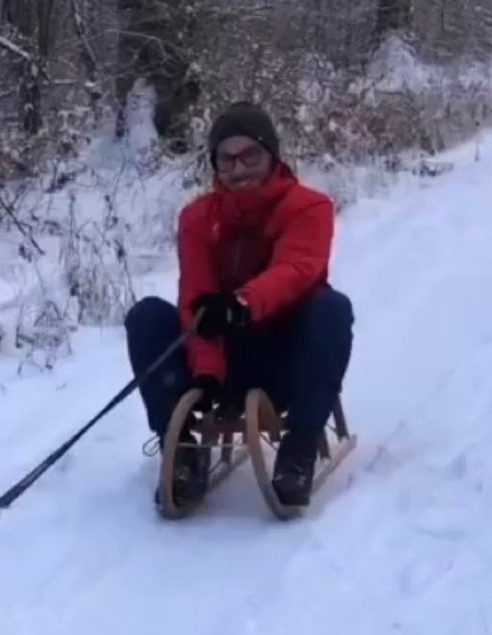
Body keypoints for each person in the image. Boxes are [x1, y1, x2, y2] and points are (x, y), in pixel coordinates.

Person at [125, 101, 354, 509]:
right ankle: (180, 451)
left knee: (331, 307)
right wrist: (207, 371)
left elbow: (297, 268)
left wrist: (241, 304)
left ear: (271, 156)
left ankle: (298, 449)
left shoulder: (308, 206)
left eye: (250, 156)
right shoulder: (197, 217)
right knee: (147, 316)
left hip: (286, 356)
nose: (239, 169)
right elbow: (195, 295)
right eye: (226, 159)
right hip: (224, 359)